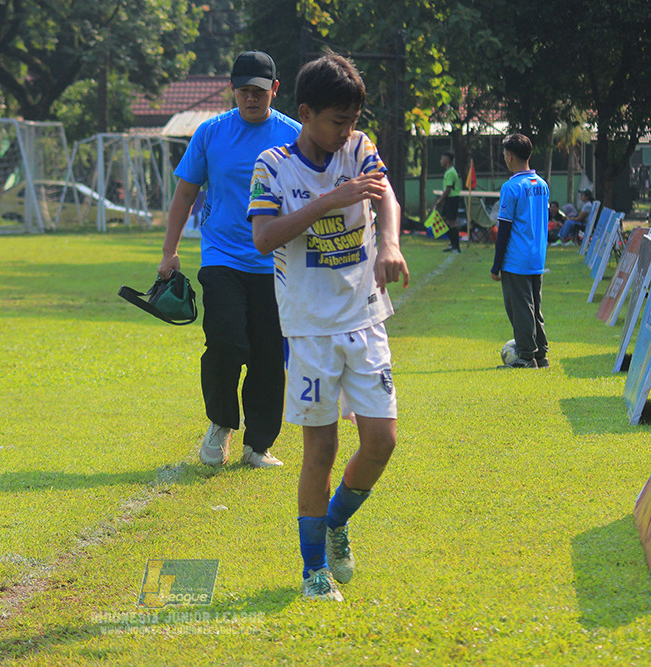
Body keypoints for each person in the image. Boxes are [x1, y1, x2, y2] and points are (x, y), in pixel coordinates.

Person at [248, 53, 410, 602]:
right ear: (305, 113)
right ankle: (313, 569)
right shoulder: (273, 165)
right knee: (320, 449)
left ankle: (337, 520)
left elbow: (385, 196)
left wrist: (389, 244)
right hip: (309, 329)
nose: (346, 131)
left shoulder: (360, 149)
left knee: (382, 441)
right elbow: (264, 238)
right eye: (338, 121)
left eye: (353, 120)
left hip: (366, 317)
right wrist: (329, 202)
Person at [158, 50, 302, 469]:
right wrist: (169, 252)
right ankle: (221, 424)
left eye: (259, 91)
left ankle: (258, 445)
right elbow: (186, 192)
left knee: (268, 355)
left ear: (275, 89)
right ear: (232, 89)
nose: (250, 98)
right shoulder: (211, 132)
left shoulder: (295, 135)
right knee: (225, 340)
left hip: (276, 262)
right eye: (243, 90)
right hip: (221, 256)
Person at [490, 133, 549, 369]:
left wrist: (496, 265)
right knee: (535, 306)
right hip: (537, 256)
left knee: (520, 308)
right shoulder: (541, 184)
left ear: (510, 156)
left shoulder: (511, 187)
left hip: (516, 259)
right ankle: (541, 355)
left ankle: (525, 356)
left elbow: (504, 228)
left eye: (505, 153)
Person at [432, 150, 462, 253]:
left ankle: (456, 246)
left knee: (451, 222)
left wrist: (439, 201)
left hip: (452, 198)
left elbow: (448, 189)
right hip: (449, 199)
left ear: (447, 160)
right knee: (445, 219)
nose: (440, 161)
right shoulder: (449, 171)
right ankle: (452, 244)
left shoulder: (451, 172)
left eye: (442, 159)